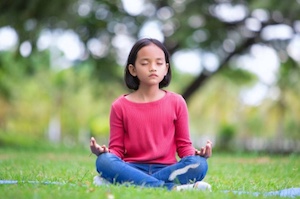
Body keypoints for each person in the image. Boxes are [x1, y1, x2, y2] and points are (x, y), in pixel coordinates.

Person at [90, 38, 212, 191]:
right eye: (145, 63)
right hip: (132, 168)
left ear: (166, 69)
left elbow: (184, 146)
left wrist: (197, 156)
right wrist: (104, 153)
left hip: (169, 170)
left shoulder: (177, 102)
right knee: (104, 162)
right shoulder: (119, 106)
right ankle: (171, 189)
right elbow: (117, 150)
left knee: (199, 165)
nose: (153, 68)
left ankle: (125, 183)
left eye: (159, 63)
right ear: (132, 69)